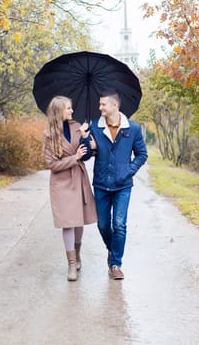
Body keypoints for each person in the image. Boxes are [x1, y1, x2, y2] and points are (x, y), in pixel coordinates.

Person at [80, 90, 148, 280]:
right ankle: (112, 248)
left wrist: (129, 170)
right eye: (99, 104)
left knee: (119, 224)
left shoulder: (132, 129)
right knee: (103, 225)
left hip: (123, 186)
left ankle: (116, 263)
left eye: (103, 104)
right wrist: (85, 137)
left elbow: (142, 154)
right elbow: (85, 156)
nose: (99, 107)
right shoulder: (94, 126)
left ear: (114, 106)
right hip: (101, 184)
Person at [43, 95, 97, 282]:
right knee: (68, 223)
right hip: (62, 183)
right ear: (59, 111)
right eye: (68, 108)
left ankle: (78, 253)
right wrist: (73, 158)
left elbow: (87, 155)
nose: (72, 111)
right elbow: (52, 165)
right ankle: (71, 264)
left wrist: (85, 138)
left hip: (79, 179)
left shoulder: (77, 127)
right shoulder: (49, 135)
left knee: (79, 221)